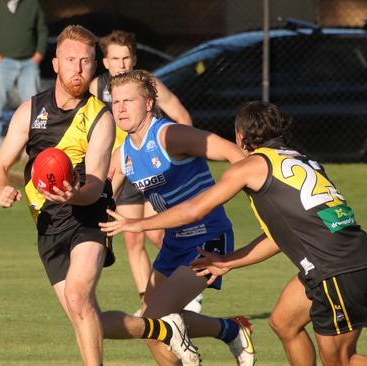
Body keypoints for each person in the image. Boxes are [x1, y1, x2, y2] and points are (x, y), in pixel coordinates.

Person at [101, 101, 367, 366]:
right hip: (341, 259)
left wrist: (134, 223)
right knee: (283, 322)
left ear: (240, 136)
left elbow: (194, 210)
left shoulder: (250, 167)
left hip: (335, 268)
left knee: (342, 361)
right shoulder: (299, 158)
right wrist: (228, 261)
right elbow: (280, 237)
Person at [0, 25, 200, 366]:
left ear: (93, 66)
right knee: (85, 316)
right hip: (48, 225)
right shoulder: (30, 111)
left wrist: (73, 193)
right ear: (55, 63)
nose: (78, 68)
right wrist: (2, 188)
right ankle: (163, 330)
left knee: (77, 295)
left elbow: (95, 185)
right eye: (71, 60)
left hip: (88, 217)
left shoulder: (100, 117)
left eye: (86, 61)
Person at [100, 70, 256, 366]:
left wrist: (261, 196)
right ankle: (232, 330)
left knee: (155, 317)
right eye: (115, 101)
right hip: (174, 243)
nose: (120, 108)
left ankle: (232, 330)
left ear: (148, 103)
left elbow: (233, 153)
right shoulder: (123, 154)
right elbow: (101, 193)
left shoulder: (169, 135)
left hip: (207, 237)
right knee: (152, 327)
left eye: (128, 101)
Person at [90, 29, 199, 313]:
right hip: (122, 169)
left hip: (151, 167)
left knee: (157, 234)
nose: (121, 64)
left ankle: (188, 280)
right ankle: (147, 300)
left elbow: (181, 113)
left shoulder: (148, 84)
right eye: (115, 58)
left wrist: (182, 151)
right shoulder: (96, 88)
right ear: (105, 62)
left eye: (126, 57)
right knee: (133, 238)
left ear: (134, 58)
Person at [0, 0, 48, 161]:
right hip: (2, 64)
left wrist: (38, 55)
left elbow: (42, 30)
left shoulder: (32, 4)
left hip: (29, 64)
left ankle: (36, 151)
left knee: (36, 111)